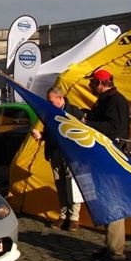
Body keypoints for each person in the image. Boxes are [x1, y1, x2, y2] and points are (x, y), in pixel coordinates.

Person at [83, 68, 131, 261]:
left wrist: (88, 123)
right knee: (107, 203)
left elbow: (113, 129)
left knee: (113, 205)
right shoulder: (106, 100)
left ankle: (116, 253)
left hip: (112, 160)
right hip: (104, 159)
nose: (90, 86)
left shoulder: (115, 101)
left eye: (92, 83)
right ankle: (110, 246)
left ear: (100, 83)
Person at [31, 86, 85, 231]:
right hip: (55, 153)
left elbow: (82, 134)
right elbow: (49, 133)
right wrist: (41, 136)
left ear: (60, 98)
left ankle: (74, 217)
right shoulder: (50, 114)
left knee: (71, 185)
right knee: (60, 185)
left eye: (51, 100)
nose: (49, 103)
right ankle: (63, 215)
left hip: (71, 155)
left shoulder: (74, 112)